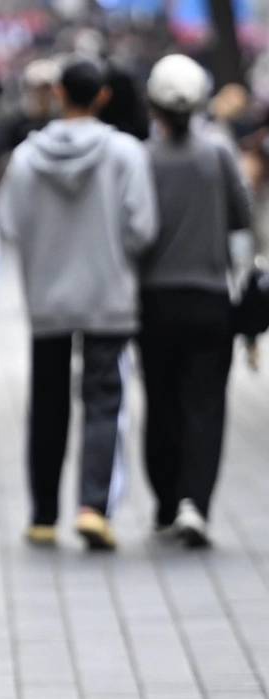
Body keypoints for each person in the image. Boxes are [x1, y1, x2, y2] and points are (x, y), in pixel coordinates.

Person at [0, 58, 158, 550]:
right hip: (110, 296)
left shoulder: (26, 157)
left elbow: (8, 224)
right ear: (103, 96)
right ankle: (92, 507)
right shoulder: (126, 153)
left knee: (47, 404)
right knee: (105, 400)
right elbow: (143, 228)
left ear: (59, 92)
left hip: (48, 299)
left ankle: (43, 514)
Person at [140, 55, 252, 547]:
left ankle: (166, 502)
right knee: (204, 405)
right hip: (211, 300)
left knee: (162, 403)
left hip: (154, 303)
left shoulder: (142, 157)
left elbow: (135, 230)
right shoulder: (220, 154)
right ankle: (195, 504)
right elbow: (242, 218)